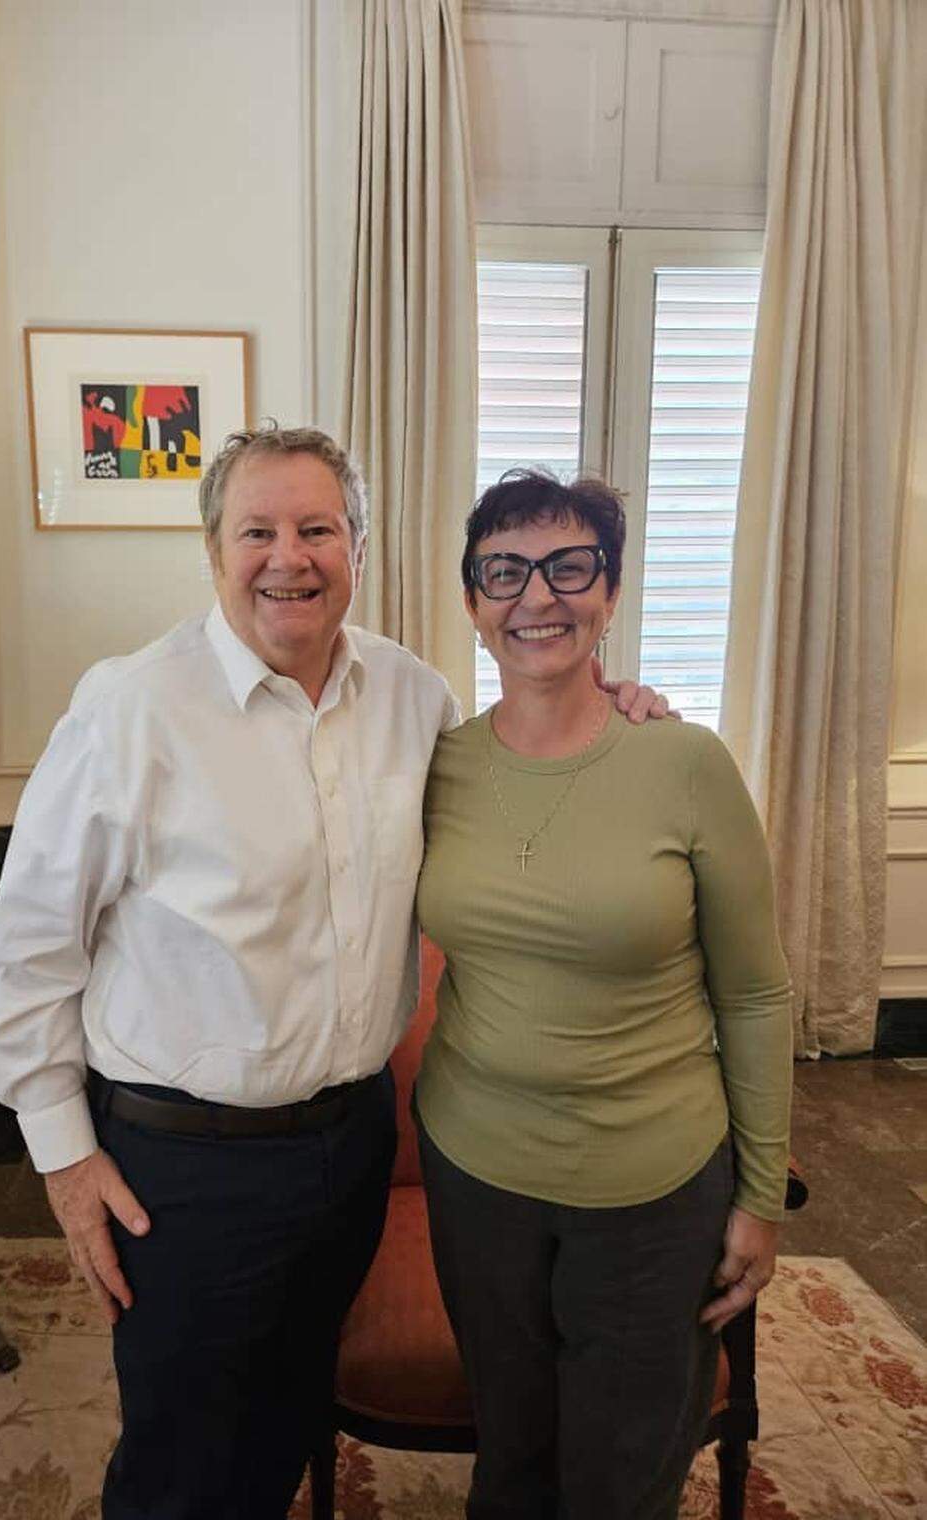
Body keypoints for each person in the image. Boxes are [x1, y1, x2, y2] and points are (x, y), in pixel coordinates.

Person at [0, 427, 665, 1520]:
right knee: (180, 1462)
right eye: (258, 530)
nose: (287, 556)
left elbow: (524, 777)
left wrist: (621, 715)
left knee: (287, 1426)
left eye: (316, 528)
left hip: (348, 1146)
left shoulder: (412, 696)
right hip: (182, 1171)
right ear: (214, 549)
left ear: (358, 545)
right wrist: (64, 1161)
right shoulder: (130, 707)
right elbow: (23, 957)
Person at [413, 468, 793, 1520]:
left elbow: (756, 994)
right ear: (474, 604)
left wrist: (760, 1197)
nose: (538, 594)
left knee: (622, 1474)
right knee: (512, 1450)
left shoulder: (683, 761)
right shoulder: (432, 765)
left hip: (652, 1186)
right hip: (475, 1172)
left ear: (611, 592)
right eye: (506, 571)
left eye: (568, 565)